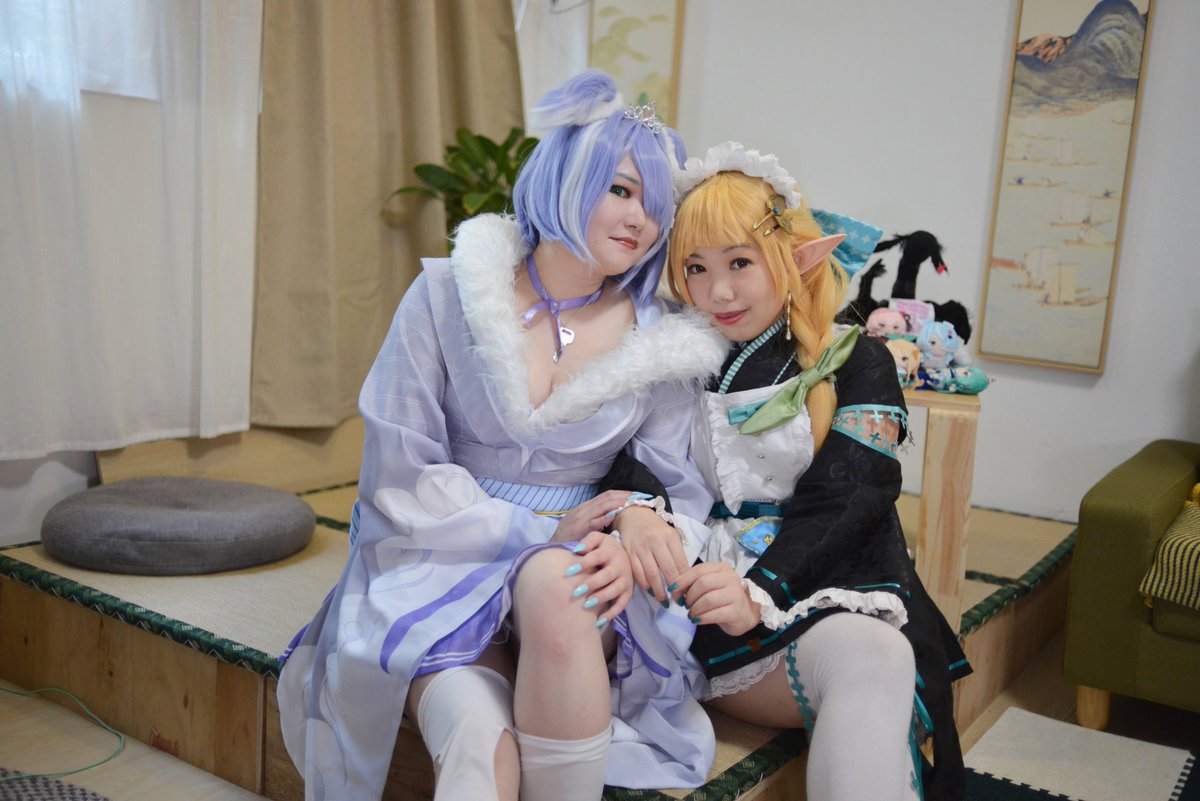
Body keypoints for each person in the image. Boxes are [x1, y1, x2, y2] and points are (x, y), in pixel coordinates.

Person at [275, 71, 729, 801]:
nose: (640, 219)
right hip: (439, 564)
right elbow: (399, 469)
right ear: (566, 176)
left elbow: (678, 483)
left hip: (576, 582)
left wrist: (632, 525)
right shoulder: (444, 294)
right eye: (620, 189)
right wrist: (539, 529)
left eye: (656, 204)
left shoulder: (665, 340)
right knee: (480, 748)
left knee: (561, 582)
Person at [605, 142, 972, 801]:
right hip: (697, 596)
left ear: (793, 256)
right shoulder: (675, 354)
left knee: (881, 653)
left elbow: (852, 496)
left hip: (822, 578)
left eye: (740, 262)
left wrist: (759, 590)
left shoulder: (860, 360)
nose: (718, 291)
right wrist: (635, 510)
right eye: (696, 267)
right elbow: (626, 452)